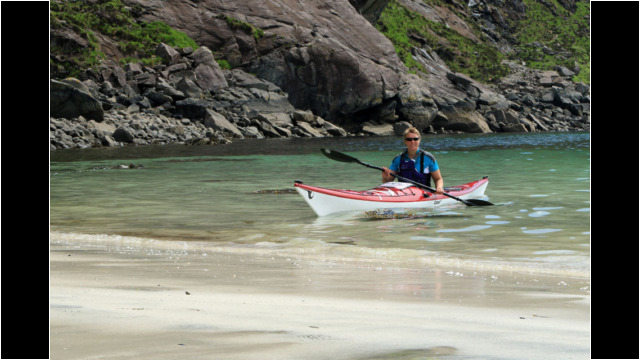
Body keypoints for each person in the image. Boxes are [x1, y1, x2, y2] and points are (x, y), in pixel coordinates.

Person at [382, 127, 444, 195]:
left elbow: (438, 179)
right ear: (405, 141)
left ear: (419, 140)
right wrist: (385, 178)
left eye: (415, 139)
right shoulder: (397, 159)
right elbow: (389, 181)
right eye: (409, 139)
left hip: (424, 195)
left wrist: (439, 187)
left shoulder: (428, 158)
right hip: (403, 194)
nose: (412, 142)